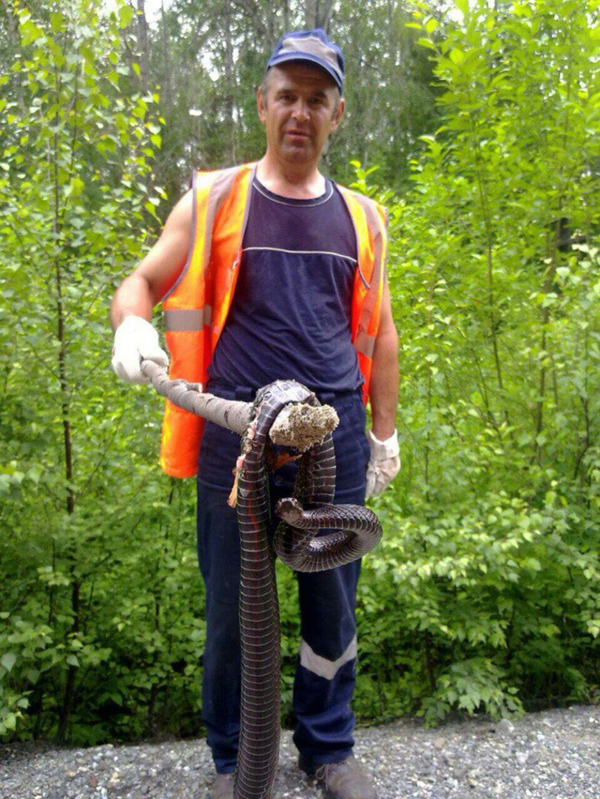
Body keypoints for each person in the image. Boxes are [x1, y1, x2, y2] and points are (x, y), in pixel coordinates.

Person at [110, 29, 400, 799]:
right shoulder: (213, 200)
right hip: (234, 443)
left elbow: (381, 333)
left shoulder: (364, 219)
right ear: (263, 105)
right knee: (235, 609)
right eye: (287, 96)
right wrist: (133, 324)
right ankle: (235, 759)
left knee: (332, 602)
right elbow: (141, 281)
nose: (300, 112)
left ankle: (328, 748)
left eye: (317, 99)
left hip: (330, 440)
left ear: (337, 114)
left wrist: (384, 432)